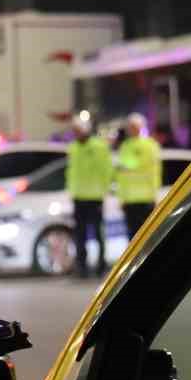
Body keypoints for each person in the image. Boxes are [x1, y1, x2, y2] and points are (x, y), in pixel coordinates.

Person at [65, 111, 113, 278]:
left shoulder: (99, 147)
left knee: (98, 233)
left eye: (78, 130)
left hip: (95, 197)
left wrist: (103, 191)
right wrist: (71, 191)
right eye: (74, 130)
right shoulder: (73, 147)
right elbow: (71, 172)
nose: (75, 133)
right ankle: (82, 267)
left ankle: (101, 266)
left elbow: (106, 171)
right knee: (80, 235)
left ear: (85, 130)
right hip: (79, 197)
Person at [114, 112, 162, 243]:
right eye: (130, 126)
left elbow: (154, 172)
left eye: (134, 126)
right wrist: (122, 198)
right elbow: (121, 175)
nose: (131, 129)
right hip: (130, 200)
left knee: (148, 237)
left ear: (141, 127)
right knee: (132, 239)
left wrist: (154, 195)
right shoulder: (125, 146)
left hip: (146, 199)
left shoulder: (150, 145)